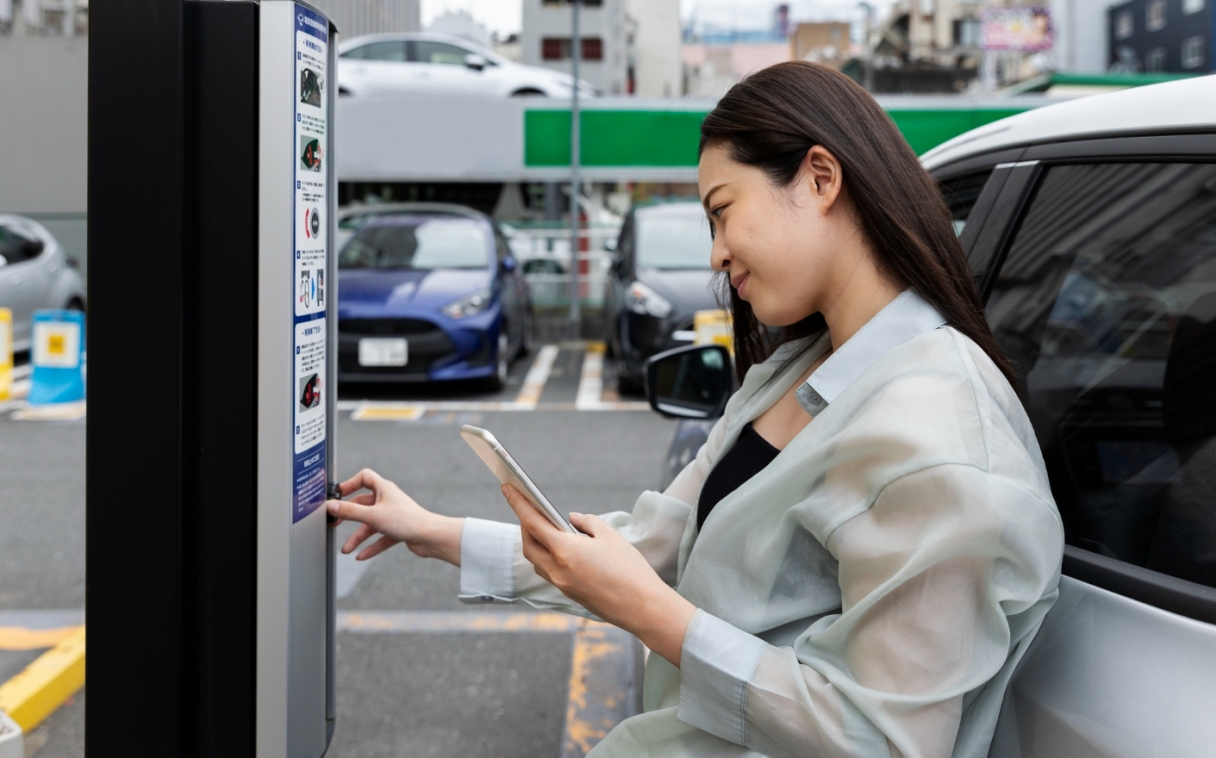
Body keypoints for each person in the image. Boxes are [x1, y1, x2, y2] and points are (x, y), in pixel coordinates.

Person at [326, 62, 1064, 758]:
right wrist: (432, 531)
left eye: (722, 212)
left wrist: (653, 614)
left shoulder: (940, 433)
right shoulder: (797, 371)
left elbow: (883, 738)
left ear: (819, 178)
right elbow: (655, 544)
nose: (715, 254)